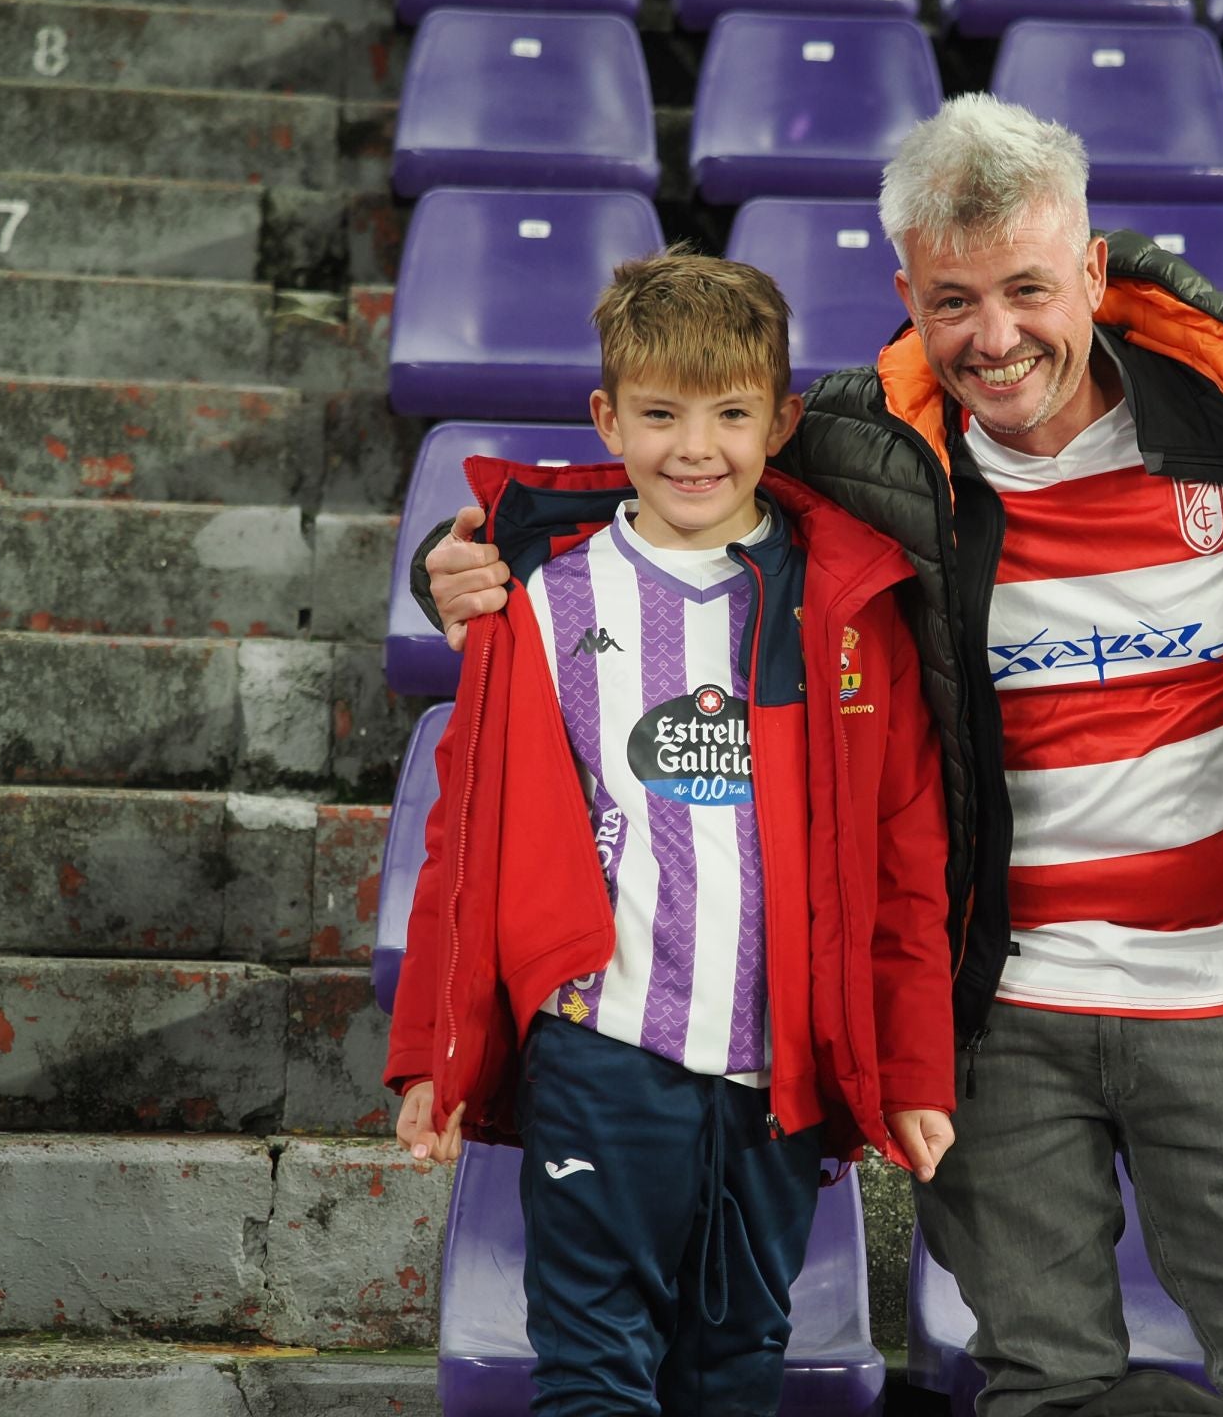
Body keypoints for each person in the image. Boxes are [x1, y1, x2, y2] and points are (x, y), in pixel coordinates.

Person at [418, 98, 1223, 1416]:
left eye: (1028, 288)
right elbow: (664, 474)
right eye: (954, 301)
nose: (996, 336)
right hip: (997, 1015)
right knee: (1040, 1380)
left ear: (1091, 270)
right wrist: (460, 561)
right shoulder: (862, 449)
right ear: (906, 292)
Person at [384, 249, 956, 1417]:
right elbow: (466, 839)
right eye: (660, 414)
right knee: (594, 1370)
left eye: (732, 414)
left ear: (783, 420)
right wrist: (432, 1059)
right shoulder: (540, 599)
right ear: (608, 419)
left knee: (737, 1369)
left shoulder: (842, 607)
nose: (696, 447)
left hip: (772, 1071)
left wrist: (911, 1065)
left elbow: (903, 860)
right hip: (600, 1050)